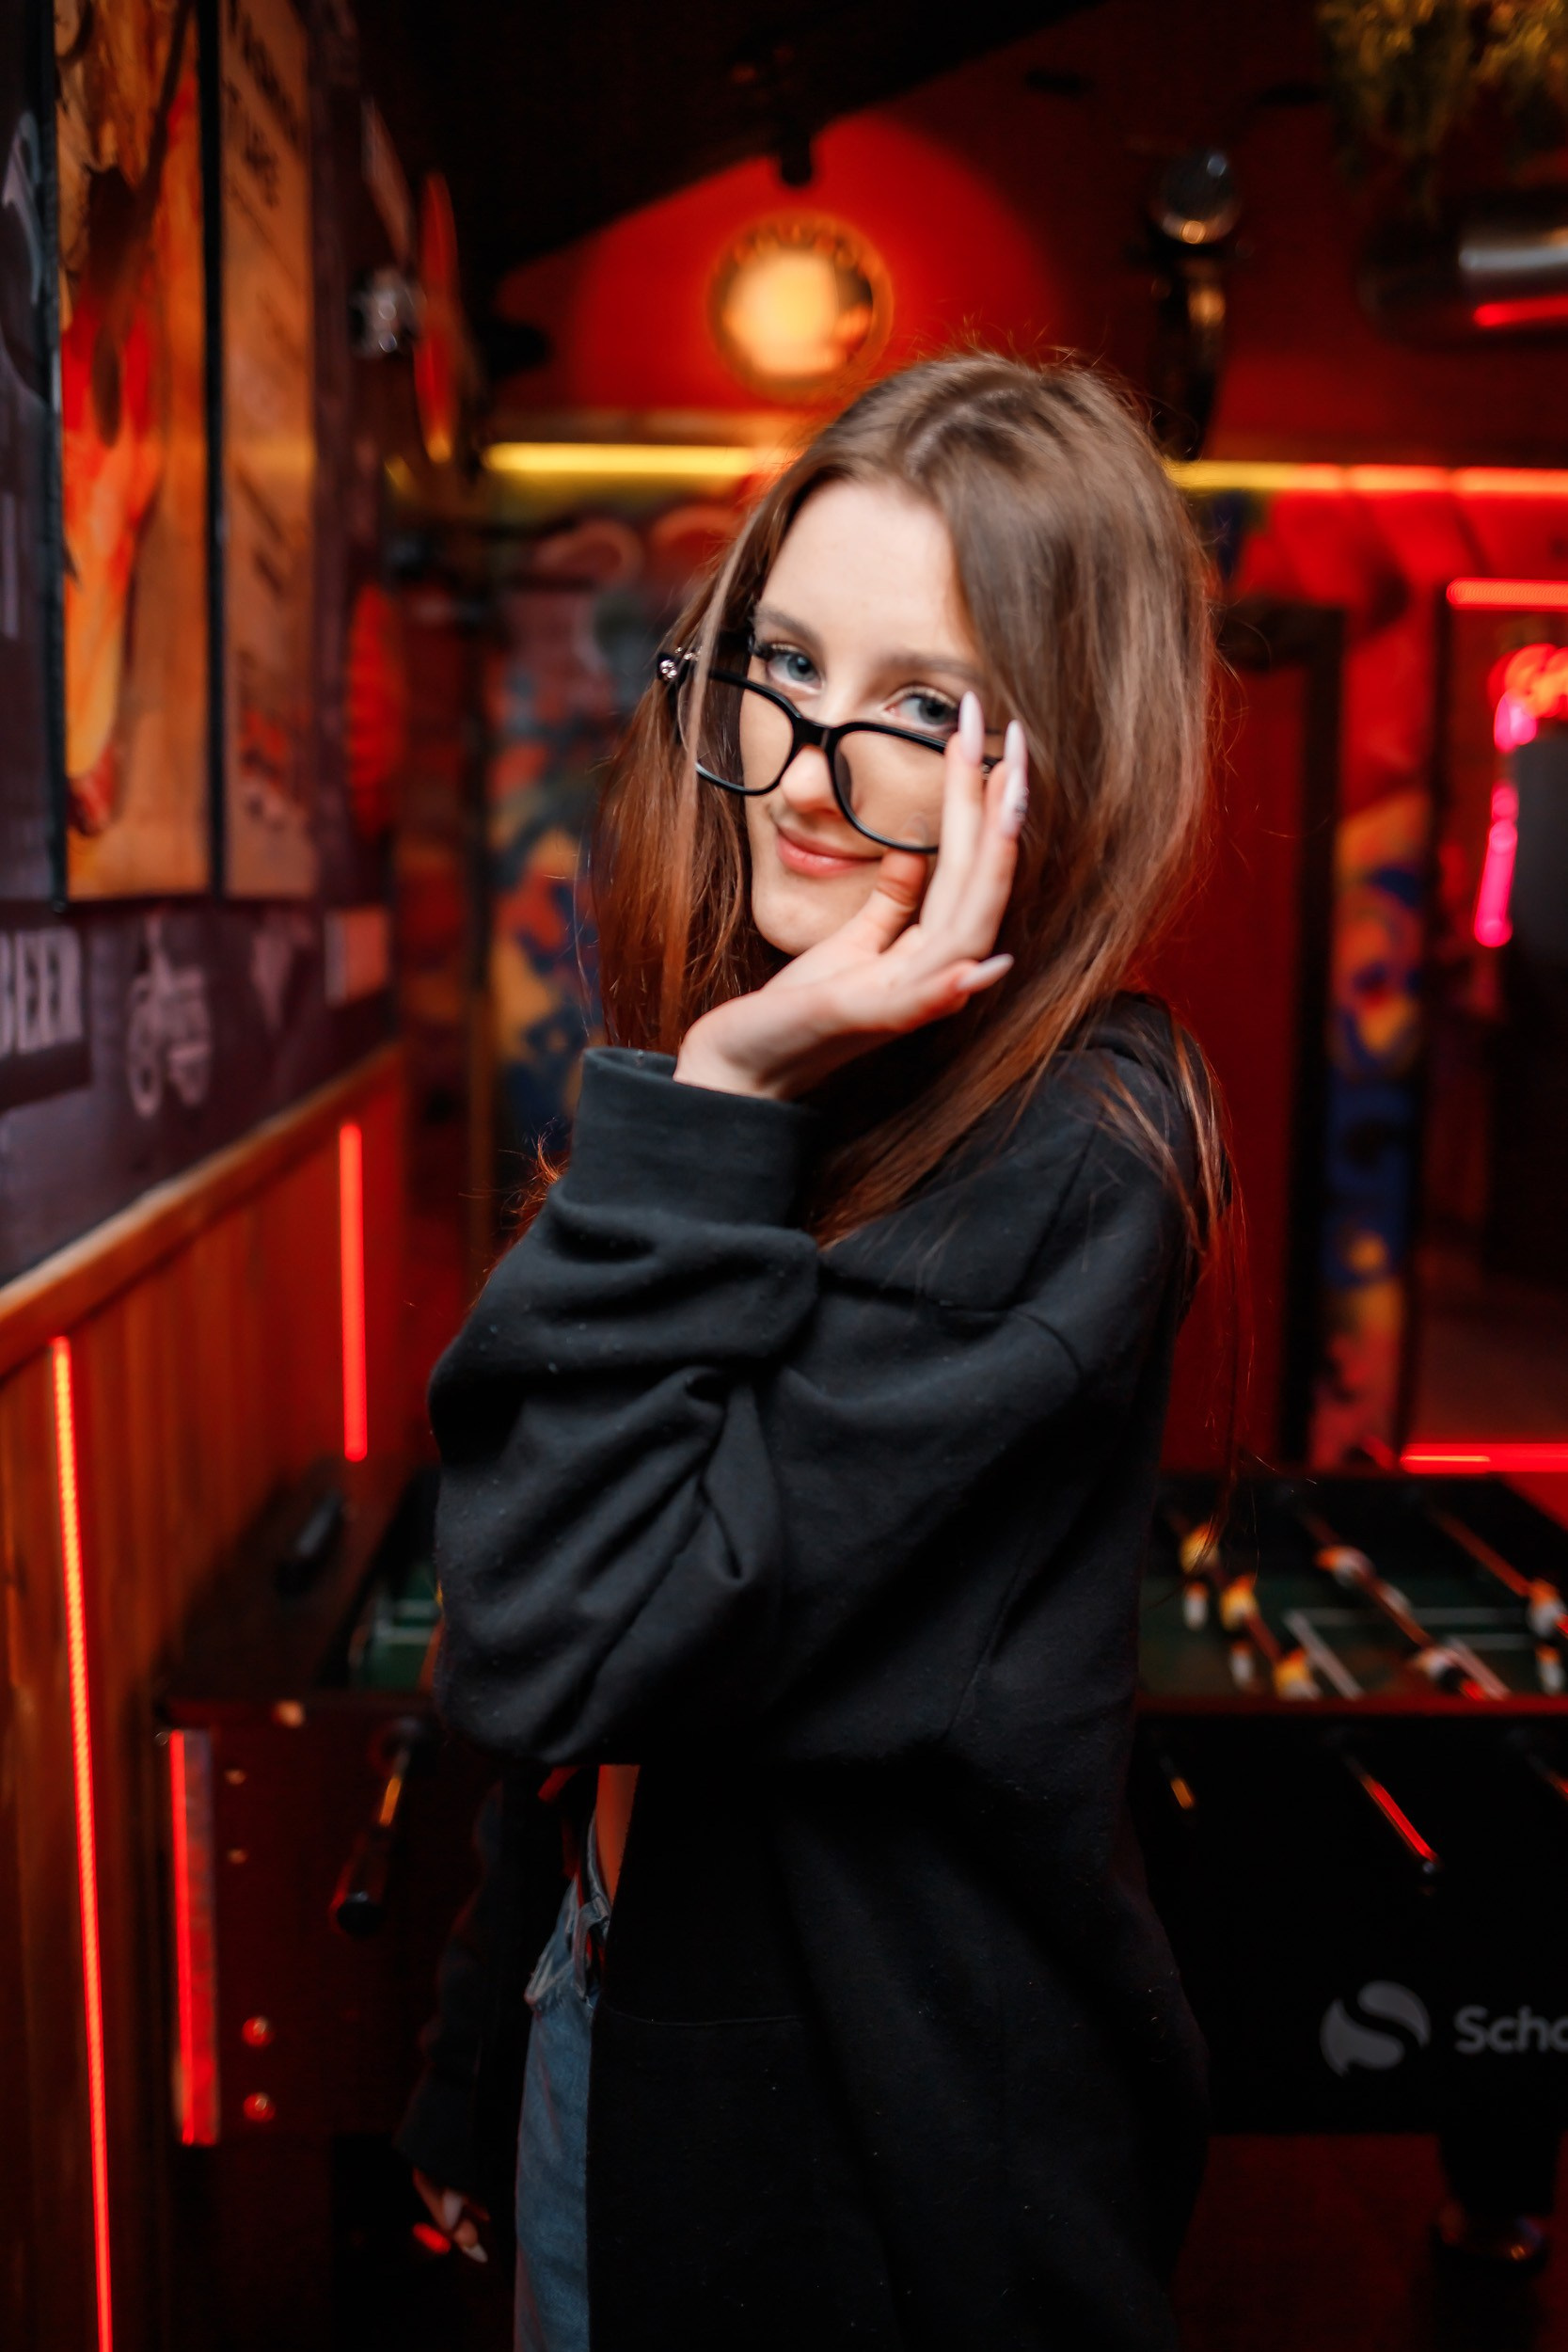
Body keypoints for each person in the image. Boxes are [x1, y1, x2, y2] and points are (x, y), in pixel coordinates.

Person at [399, 352, 1231, 2352]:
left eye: (923, 709)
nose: (798, 770)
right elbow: (592, 1695)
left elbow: (551, 1631)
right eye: (784, 664)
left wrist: (711, 1094)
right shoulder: (819, 1052)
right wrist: (490, 2027)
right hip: (616, 1998)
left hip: (855, 2169)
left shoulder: (1069, 1146)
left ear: (1063, 763)